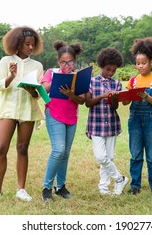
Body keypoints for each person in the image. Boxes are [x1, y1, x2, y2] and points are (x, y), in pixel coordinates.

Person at [0, 26, 44, 203]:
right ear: (17, 43)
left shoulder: (37, 65)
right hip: (8, 108)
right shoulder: (6, 61)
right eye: (26, 44)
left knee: (23, 148)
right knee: (1, 147)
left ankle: (21, 189)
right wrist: (11, 76)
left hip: (27, 110)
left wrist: (33, 91)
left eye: (32, 44)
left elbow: (38, 94)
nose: (30, 48)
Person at [41, 40, 85, 203]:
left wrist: (71, 94)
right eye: (63, 62)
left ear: (75, 61)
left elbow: (81, 101)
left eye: (70, 62)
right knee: (58, 150)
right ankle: (46, 188)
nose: (67, 65)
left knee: (65, 153)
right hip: (54, 114)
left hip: (71, 117)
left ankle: (61, 187)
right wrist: (59, 81)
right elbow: (43, 89)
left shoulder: (78, 76)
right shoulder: (51, 72)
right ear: (58, 61)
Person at [123, 37, 152, 197]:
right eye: (138, 63)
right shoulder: (133, 81)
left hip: (151, 120)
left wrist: (147, 97)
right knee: (136, 154)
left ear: (151, 62)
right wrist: (123, 97)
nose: (140, 66)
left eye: (144, 62)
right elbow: (126, 102)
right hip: (135, 120)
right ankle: (135, 186)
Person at [85, 48, 129, 196]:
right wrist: (103, 96)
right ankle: (120, 178)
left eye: (114, 70)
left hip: (111, 124)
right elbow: (88, 103)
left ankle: (103, 187)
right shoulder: (91, 82)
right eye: (108, 69)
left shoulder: (117, 85)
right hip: (96, 124)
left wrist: (114, 99)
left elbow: (115, 107)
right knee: (100, 157)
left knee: (109, 158)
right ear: (101, 66)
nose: (111, 73)